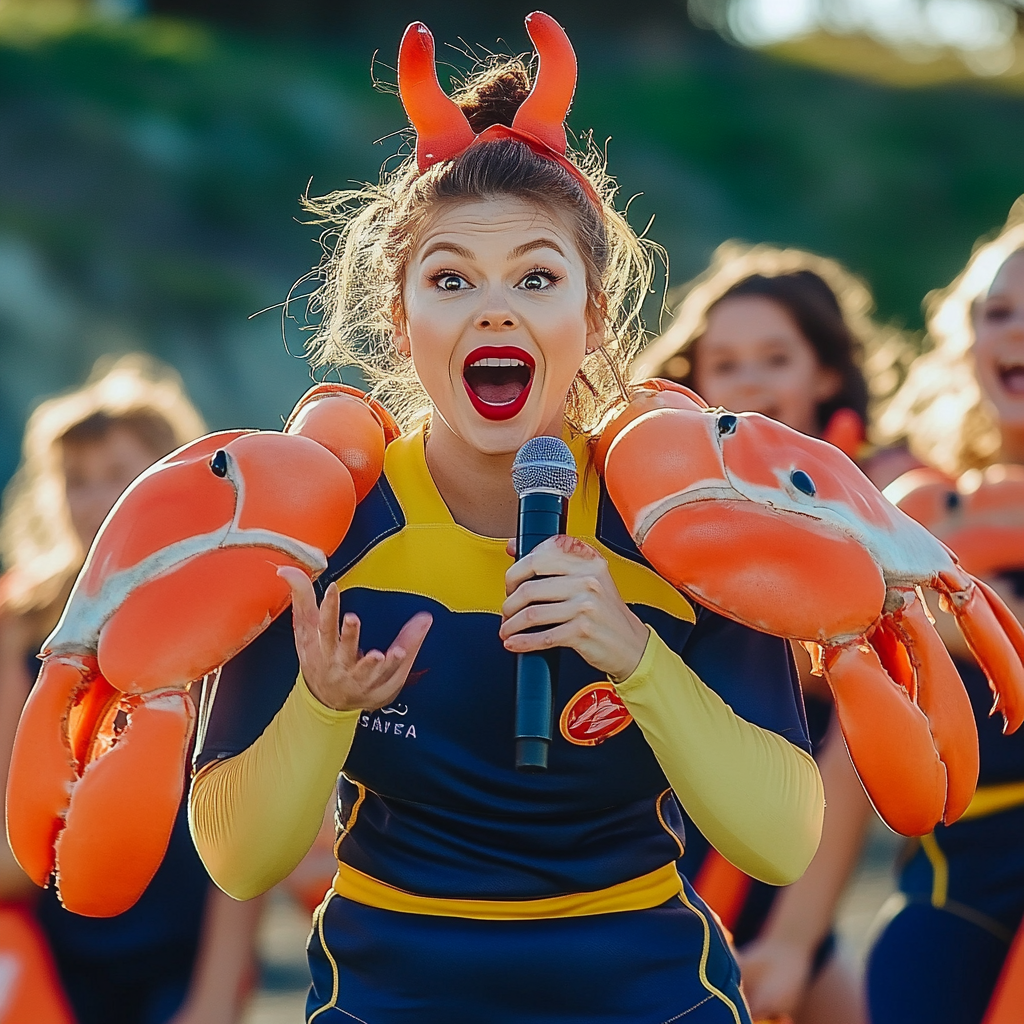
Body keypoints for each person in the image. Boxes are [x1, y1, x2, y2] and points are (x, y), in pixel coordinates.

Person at [187, 17, 825, 1022]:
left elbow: (779, 838)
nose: (495, 312)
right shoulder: (323, 520)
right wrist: (321, 702)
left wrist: (635, 655)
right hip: (391, 984)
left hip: (644, 983)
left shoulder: (674, 523)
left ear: (593, 315)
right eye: (450, 281)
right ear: (400, 320)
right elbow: (236, 859)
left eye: (536, 278)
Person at [634, 243, 909, 1024]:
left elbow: (867, 727)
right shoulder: (668, 512)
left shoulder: (882, 499)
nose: (749, 380)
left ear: (825, 374)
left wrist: (794, 939)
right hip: (672, 857)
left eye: (775, 358)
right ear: (700, 381)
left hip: (796, 863)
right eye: (726, 363)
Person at [0, 354, 260, 1024]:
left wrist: (213, 996)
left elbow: (239, 832)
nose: (92, 500)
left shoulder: (226, 619)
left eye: (117, 476)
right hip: (57, 950)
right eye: (75, 480)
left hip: (184, 950)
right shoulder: (20, 622)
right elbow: (13, 818)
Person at [866, 198, 1024, 1024]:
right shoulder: (923, 511)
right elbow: (865, 708)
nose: (1016, 330)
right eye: (997, 312)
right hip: (954, 870)